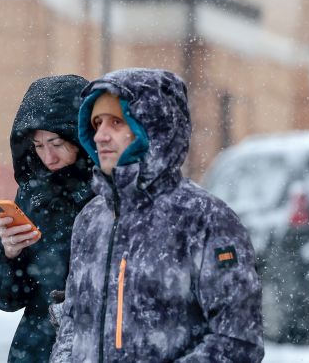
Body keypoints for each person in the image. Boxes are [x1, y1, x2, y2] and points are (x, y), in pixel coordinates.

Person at [50, 68, 264, 362]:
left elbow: (238, 340)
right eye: (96, 123)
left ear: (153, 129)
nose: (100, 135)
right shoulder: (91, 219)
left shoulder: (204, 219)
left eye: (116, 122)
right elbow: (73, 322)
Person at [0, 75, 94, 362]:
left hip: (94, 347)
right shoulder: (33, 195)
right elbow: (6, 299)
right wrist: (9, 254)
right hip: (36, 349)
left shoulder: (108, 196)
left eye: (57, 143)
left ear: (81, 138)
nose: (49, 156)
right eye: (39, 145)